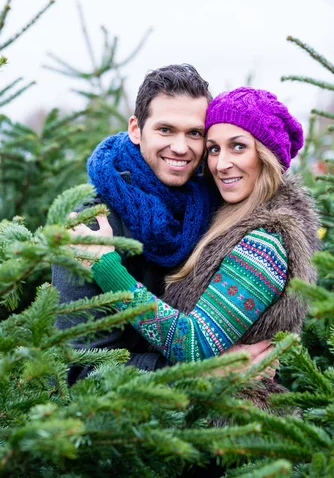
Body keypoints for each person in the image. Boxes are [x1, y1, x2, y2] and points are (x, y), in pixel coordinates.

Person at [69, 86, 320, 403]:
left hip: (234, 425)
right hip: (199, 411)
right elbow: (81, 370)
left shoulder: (266, 239)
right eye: (214, 149)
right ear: (136, 129)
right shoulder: (219, 215)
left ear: (267, 155)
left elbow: (194, 344)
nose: (221, 163)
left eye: (238, 147)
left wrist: (106, 269)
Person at [53, 66, 273, 383]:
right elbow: (80, 372)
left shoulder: (219, 207)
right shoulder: (92, 226)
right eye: (165, 130)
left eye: (194, 133)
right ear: (136, 129)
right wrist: (200, 374)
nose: (181, 147)